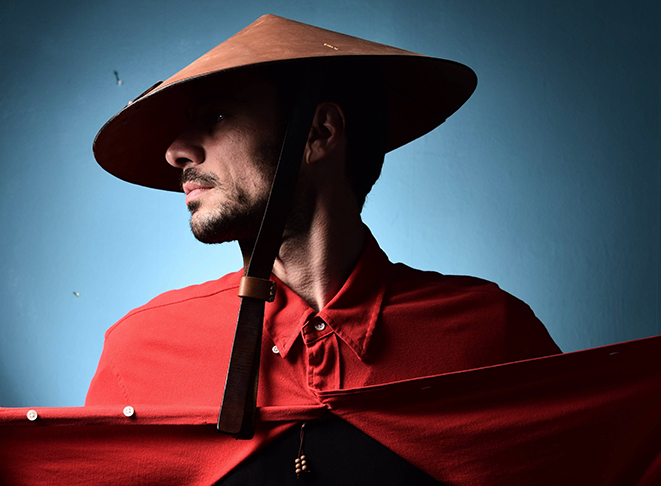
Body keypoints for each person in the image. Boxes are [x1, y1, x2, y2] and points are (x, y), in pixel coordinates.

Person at [86, 14, 561, 483]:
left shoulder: (495, 334)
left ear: (319, 133)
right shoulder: (141, 351)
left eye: (217, 116)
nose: (175, 152)